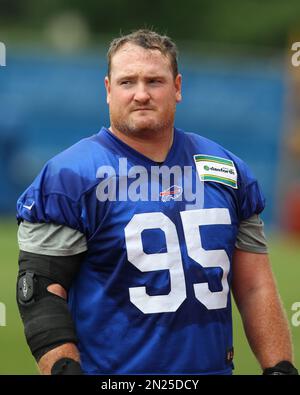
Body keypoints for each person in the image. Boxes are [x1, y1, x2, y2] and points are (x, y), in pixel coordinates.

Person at [16, 29, 298, 376]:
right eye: (127, 82)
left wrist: (280, 367)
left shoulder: (226, 170)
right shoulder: (71, 176)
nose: (141, 94)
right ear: (108, 90)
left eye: (154, 81)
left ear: (177, 87)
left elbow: (255, 285)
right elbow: (39, 292)